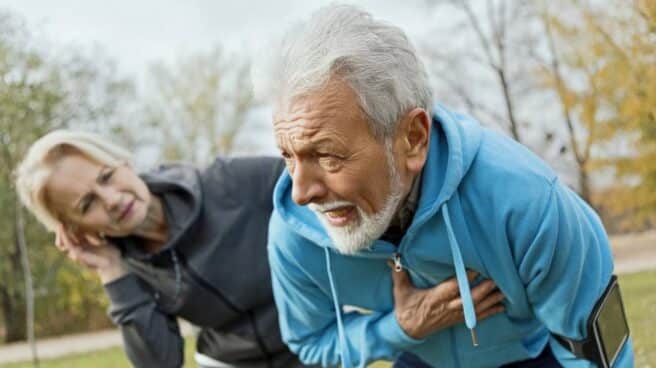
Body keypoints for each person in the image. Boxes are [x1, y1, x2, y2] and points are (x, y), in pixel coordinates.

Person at [257, 4, 635, 368]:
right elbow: (310, 342)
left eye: (327, 155)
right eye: (289, 156)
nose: (301, 193)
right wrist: (400, 328)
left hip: (535, 357)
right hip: (419, 358)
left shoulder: (527, 202)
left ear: (413, 138)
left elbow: (594, 350)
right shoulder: (294, 234)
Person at [15, 130, 304, 368]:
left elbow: (323, 188)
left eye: (106, 176)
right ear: (76, 230)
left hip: (321, 343)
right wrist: (112, 271)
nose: (112, 199)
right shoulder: (128, 267)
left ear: (123, 163)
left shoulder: (229, 182)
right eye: (87, 204)